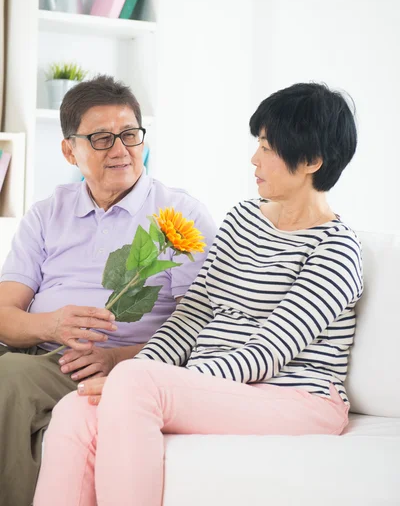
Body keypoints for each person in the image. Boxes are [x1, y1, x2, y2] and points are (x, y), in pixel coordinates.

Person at [34, 82, 363, 506]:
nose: (254, 158)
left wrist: (151, 380)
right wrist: (145, 373)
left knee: (132, 382)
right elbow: (194, 313)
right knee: (75, 410)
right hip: (223, 386)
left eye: (267, 146)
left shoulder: (335, 250)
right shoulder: (244, 218)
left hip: (298, 397)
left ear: (312, 161)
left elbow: (267, 352)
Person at [0, 75, 216, 506]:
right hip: (34, 348)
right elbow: (5, 311)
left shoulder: (180, 215)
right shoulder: (47, 213)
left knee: (10, 379)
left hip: (105, 365)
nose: (120, 150)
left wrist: (116, 357)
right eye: (101, 139)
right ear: (69, 150)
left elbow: (202, 326)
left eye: (130, 135)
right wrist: (53, 324)